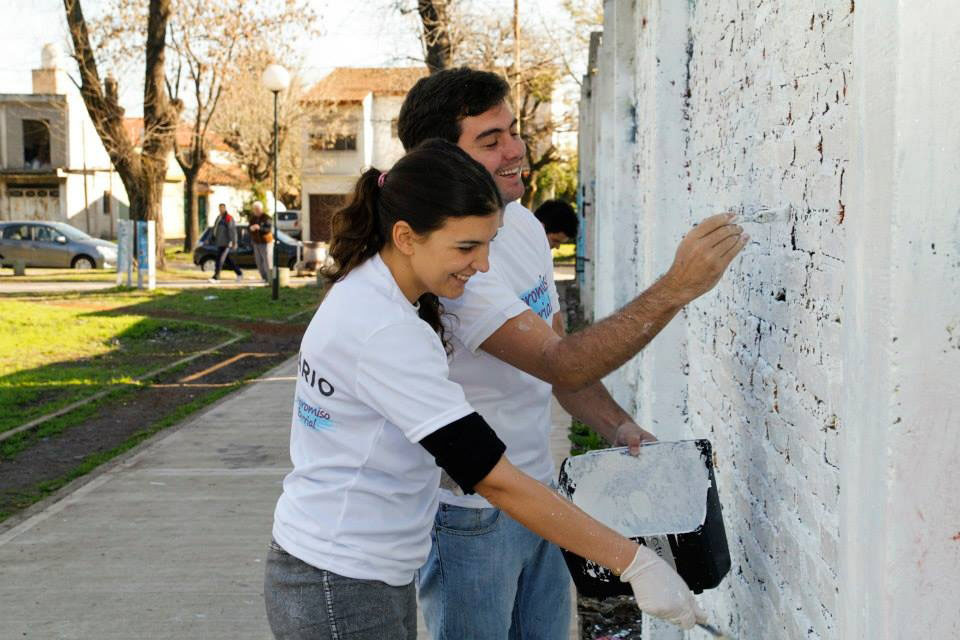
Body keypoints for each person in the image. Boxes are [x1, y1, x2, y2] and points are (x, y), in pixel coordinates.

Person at [263, 139, 706, 640]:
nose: (484, 265)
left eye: (489, 243)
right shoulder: (385, 328)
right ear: (406, 237)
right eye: (466, 247)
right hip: (340, 579)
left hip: (353, 569)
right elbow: (494, 479)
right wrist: (635, 563)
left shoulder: (375, 291)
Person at [397, 68, 748, 639]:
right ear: (442, 159)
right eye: (490, 140)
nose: (515, 150)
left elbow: (560, 358)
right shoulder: (456, 264)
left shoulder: (524, 228)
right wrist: (676, 287)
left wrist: (617, 424)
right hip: (470, 517)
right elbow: (562, 363)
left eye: (513, 131)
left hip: (540, 497)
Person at [209, 203, 243, 283]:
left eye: (222, 208)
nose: (221, 210)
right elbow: (215, 229)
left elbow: (232, 230)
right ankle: (239, 273)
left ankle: (216, 277)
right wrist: (212, 237)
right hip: (219, 243)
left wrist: (234, 242)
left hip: (226, 243)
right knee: (228, 261)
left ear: (225, 208)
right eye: (220, 208)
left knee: (219, 260)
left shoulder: (228, 218)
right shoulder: (218, 217)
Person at [248, 201, 274, 282]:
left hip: (266, 243)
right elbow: (248, 228)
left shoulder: (267, 218)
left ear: (261, 209)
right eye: (254, 209)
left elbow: (268, 229)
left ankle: (270, 278)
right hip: (256, 242)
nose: (256, 211)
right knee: (258, 261)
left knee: (267, 261)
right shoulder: (253, 218)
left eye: (257, 209)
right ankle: (264, 277)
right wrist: (251, 228)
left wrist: (259, 228)